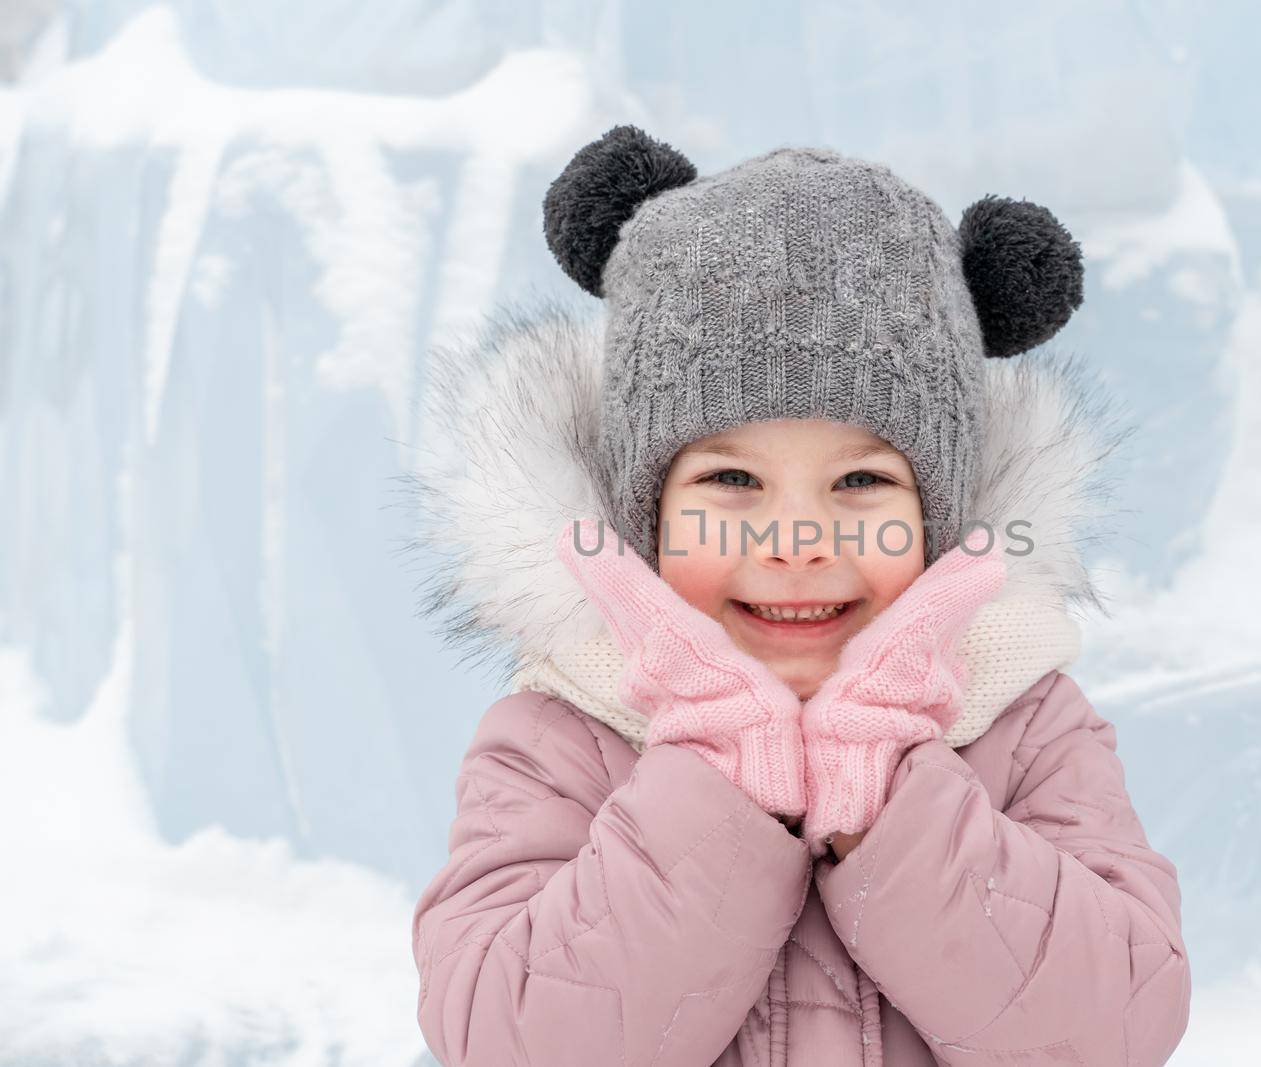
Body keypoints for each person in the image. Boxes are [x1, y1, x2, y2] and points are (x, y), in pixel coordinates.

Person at [406, 125, 1190, 1066]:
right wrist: (711, 790)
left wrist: (893, 815)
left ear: (939, 516)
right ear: (644, 512)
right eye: (731, 483)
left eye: (861, 484)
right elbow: (508, 1039)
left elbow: (1116, 1029)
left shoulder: (1024, 725)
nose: (795, 543)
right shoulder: (562, 733)